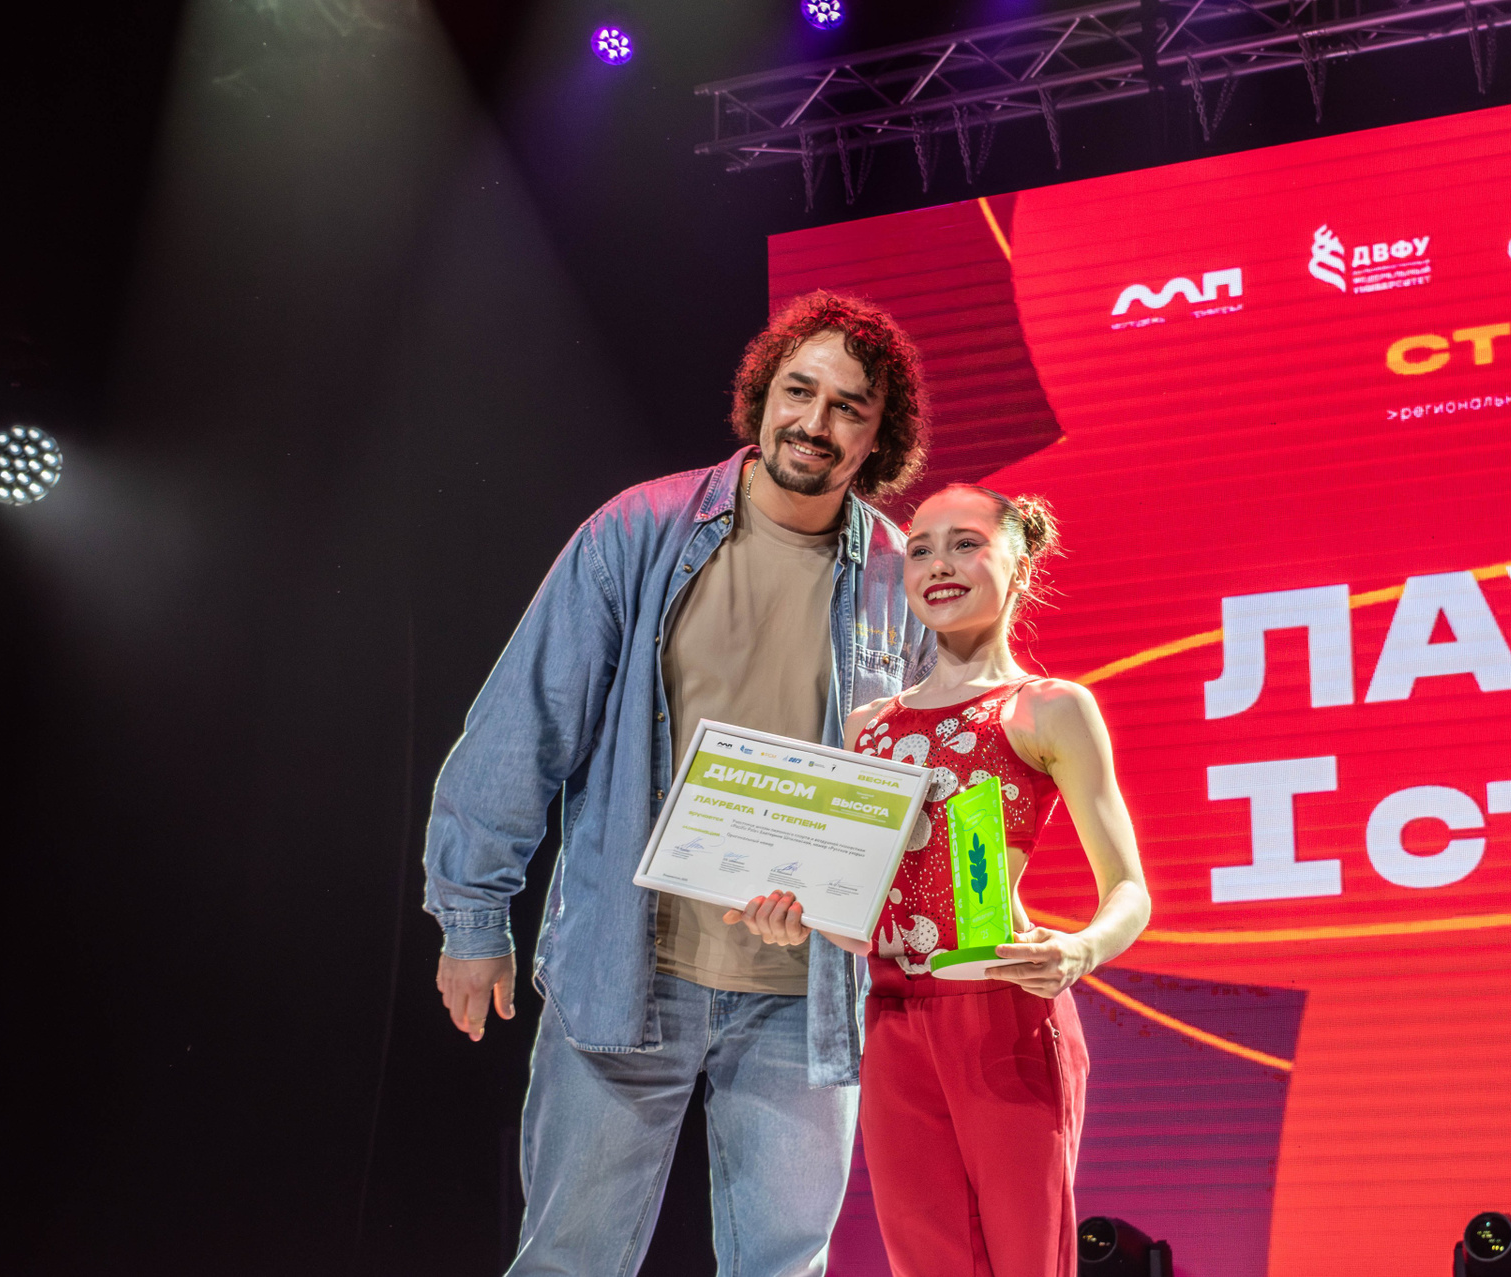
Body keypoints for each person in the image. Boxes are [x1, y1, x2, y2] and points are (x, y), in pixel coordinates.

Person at [424, 290, 936, 1277]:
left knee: (786, 1266)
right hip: (631, 970)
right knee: (569, 1262)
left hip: (802, 997)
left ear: (880, 435)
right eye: (800, 391)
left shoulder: (894, 574)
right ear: (762, 395)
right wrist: (473, 917)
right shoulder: (641, 530)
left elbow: (922, 781)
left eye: (849, 407)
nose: (816, 422)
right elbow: (524, 724)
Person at [727, 483, 1152, 1277]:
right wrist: (794, 914)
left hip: (1003, 1014)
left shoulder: (1048, 707)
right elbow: (863, 914)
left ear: (1020, 566)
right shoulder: (869, 727)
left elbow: (1130, 888)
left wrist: (1080, 950)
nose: (937, 564)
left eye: (965, 544)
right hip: (892, 1023)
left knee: (1028, 1260)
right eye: (920, 548)